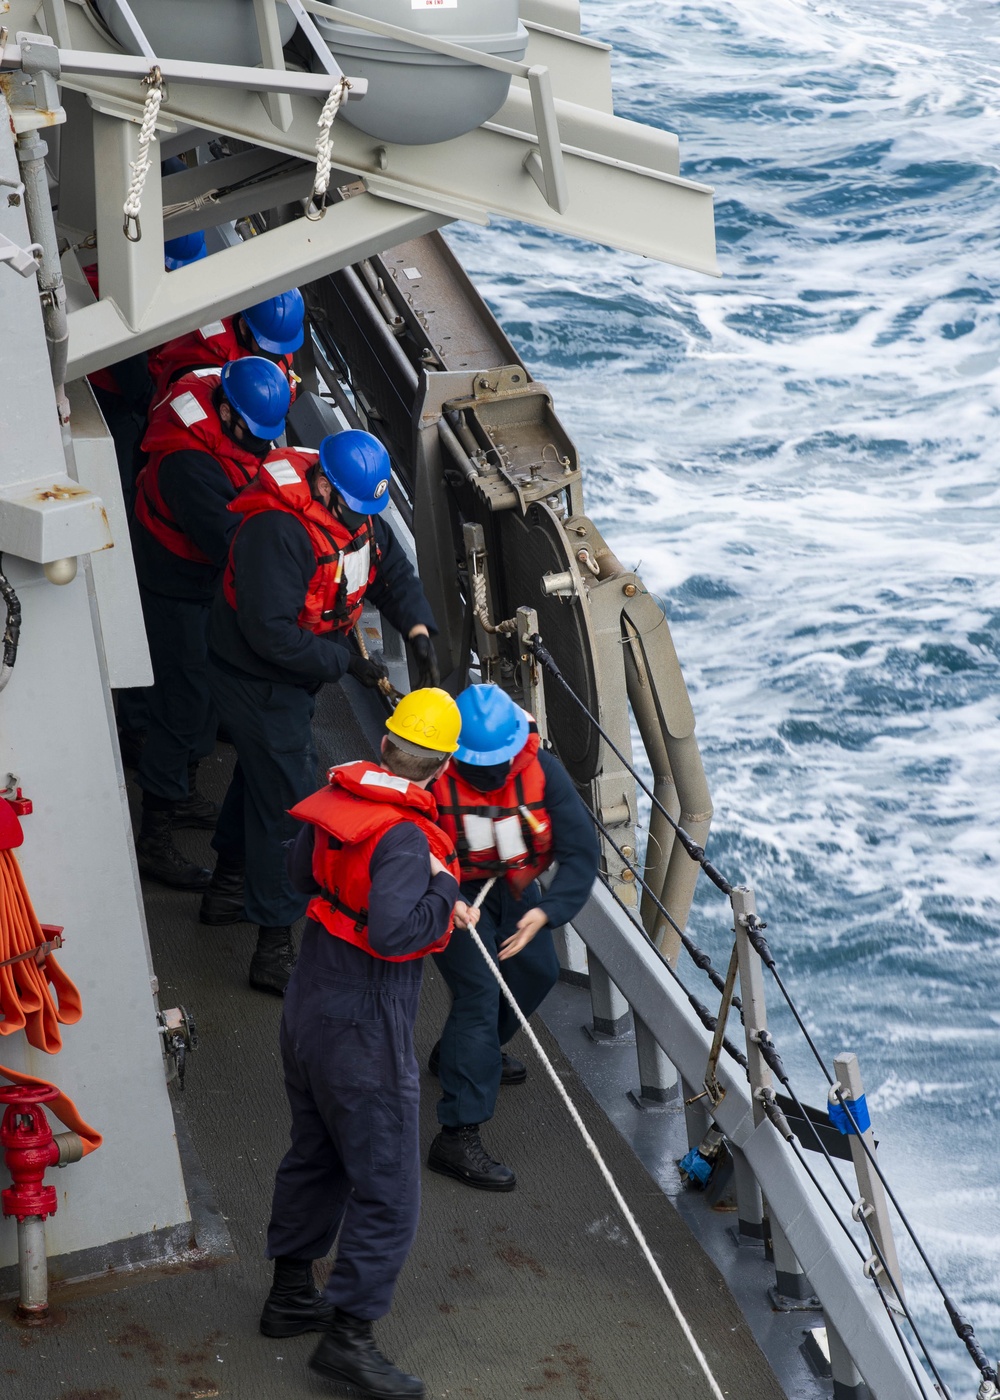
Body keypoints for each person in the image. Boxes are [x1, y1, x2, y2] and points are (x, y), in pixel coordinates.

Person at [259, 689, 476, 1399]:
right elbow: (392, 933)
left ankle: (291, 1294)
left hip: (310, 996)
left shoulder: (337, 793)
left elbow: (297, 877)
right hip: (365, 1020)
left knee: (315, 1151)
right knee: (387, 1186)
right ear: (439, 770)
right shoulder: (408, 836)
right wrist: (443, 893)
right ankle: (348, 1340)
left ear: (385, 747)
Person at [204, 429, 442, 994]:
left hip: (292, 674)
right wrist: (344, 664)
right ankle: (273, 949)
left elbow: (392, 572)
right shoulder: (277, 531)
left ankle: (226, 890)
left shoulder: (355, 517)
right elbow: (270, 635)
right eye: (354, 507)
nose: (363, 520)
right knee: (288, 804)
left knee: (261, 775)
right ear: (324, 485)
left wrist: (418, 629)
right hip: (256, 676)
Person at [427, 683, 599, 1190]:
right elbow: (403, 840)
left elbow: (579, 848)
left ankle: (461, 1054)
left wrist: (546, 913)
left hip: (511, 886)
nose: (489, 773)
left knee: (537, 971)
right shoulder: (430, 771)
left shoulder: (542, 771)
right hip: (449, 893)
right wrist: (443, 895)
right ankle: (456, 1135)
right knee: (478, 994)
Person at [130, 356, 291, 890]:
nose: (264, 448)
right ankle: (155, 833)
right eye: (254, 434)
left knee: (201, 698)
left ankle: (185, 789)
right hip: (178, 584)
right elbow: (228, 544)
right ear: (225, 411)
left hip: (204, 583)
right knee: (182, 703)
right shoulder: (189, 465)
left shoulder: (228, 405)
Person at [147, 287, 305, 403]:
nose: (276, 353)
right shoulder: (199, 367)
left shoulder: (277, 336)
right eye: (268, 345)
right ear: (243, 326)